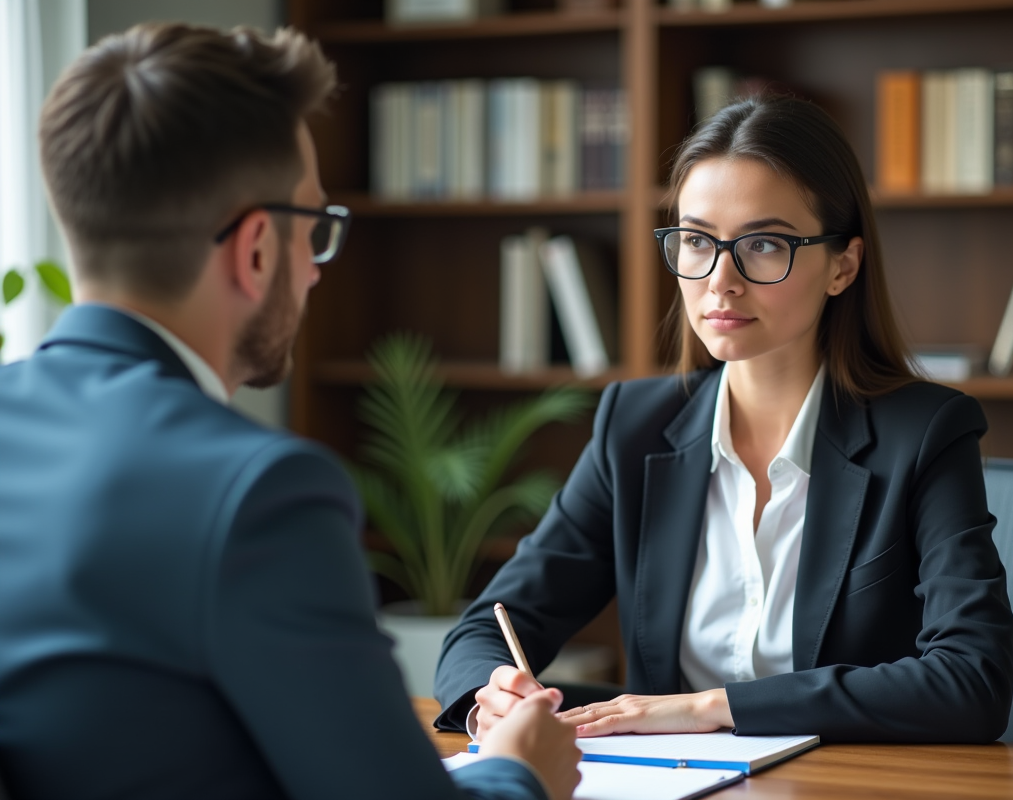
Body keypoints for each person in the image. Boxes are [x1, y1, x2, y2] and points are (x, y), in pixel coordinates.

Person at [0, 23, 580, 800]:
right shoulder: (258, 491)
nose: (315, 270)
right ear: (257, 251)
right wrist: (521, 771)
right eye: (316, 228)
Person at [434, 95, 1013, 744]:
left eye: (763, 244)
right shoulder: (634, 427)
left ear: (842, 266)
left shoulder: (926, 433)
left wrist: (709, 707)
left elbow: (972, 680)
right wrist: (494, 694)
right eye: (696, 241)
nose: (721, 280)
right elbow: (485, 629)